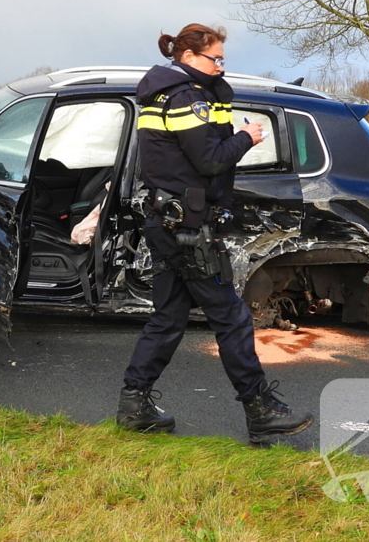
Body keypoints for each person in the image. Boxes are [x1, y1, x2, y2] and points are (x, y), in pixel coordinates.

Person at [116, 23, 314, 443]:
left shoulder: (169, 92)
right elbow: (208, 159)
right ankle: (260, 409)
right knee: (232, 316)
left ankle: (134, 405)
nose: (221, 66)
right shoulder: (187, 96)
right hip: (187, 226)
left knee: (168, 318)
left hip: (169, 219)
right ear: (188, 57)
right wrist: (246, 137)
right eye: (215, 59)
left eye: (223, 59)